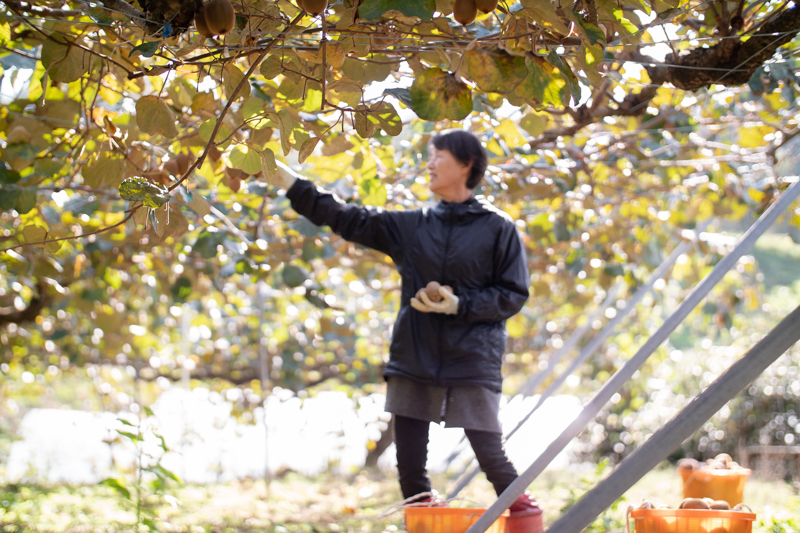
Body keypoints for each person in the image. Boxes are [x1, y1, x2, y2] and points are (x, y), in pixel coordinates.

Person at [266, 129, 539, 514]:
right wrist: (293, 184)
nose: (429, 164)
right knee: (411, 471)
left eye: (438, 156)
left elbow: (513, 293)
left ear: (466, 165)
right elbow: (349, 219)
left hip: (473, 360)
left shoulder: (498, 228)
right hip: (415, 356)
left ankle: (529, 519)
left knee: (493, 459)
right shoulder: (413, 226)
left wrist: (459, 305)